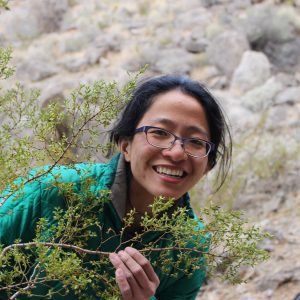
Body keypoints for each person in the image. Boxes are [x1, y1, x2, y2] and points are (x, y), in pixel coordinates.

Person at [0, 75, 231, 299]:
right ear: (126, 144)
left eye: (196, 142)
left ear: (208, 164)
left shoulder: (190, 247)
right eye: (160, 133)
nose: (177, 152)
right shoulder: (51, 192)